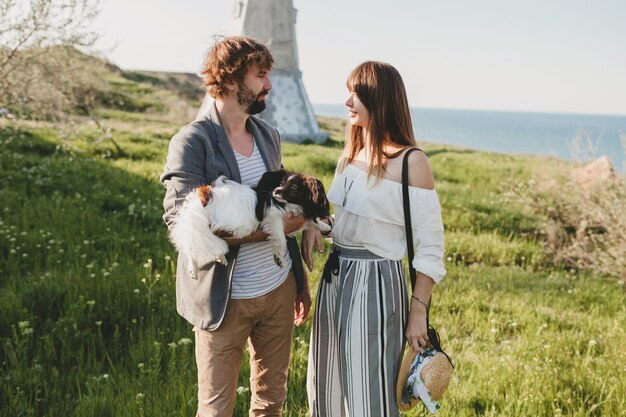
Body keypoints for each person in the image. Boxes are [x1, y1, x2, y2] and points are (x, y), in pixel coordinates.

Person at [160, 36, 312, 417]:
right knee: (215, 409)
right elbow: (181, 220)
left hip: (278, 291)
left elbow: (280, 205)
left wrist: (300, 278)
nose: (269, 84)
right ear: (229, 80)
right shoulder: (192, 141)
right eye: (260, 75)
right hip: (224, 301)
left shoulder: (268, 136)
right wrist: (272, 230)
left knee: (271, 402)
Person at [305, 61, 446, 417]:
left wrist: (419, 311)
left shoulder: (412, 162)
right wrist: (314, 223)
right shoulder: (351, 156)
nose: (348, 101)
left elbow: (430, 247)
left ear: (380, 100)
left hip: (376, 284)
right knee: (328, 383)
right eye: (348, 92)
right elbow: (349, 223)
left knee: (370, 392)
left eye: (358, 94)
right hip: (336, 278)